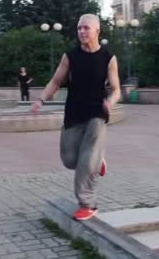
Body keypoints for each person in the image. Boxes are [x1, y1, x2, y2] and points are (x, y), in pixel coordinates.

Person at [31, 14, 121, 221]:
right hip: (73, 112)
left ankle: (87, 203)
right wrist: (41, 100)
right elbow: (55, 82)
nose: (81, 31)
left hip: (97, 112)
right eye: (79, 28)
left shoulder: (108, 57)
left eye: (86, 28)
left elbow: (116, 89)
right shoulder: (70, 56)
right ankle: (99, 162)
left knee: (87, 161)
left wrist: (110, 102)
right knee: (70, 159)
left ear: (97, 30)